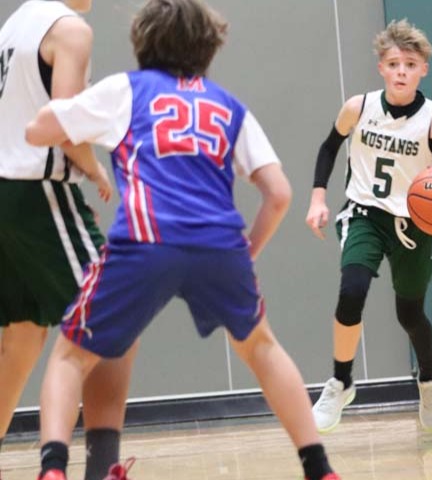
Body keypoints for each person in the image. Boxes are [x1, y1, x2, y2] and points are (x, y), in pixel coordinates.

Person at [25, 1, 341, 479]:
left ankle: (53, 468)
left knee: (70, 355)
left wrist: (67, 105)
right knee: (262, 348)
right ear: (209, 47)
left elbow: (39, 130)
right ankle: (319, 468)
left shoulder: (127, 89)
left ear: (142, 40)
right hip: (220, 245)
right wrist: (247, 252)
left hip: (145, 239)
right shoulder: (228, 105)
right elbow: (279, 194)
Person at [0, 1, 138, 479]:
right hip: (35, 189)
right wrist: (94, 169)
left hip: (7, 190)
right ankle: (96, 469)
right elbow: (62, 123)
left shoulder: (14, 24)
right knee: (113, 312)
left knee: (21, 336)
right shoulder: (70, 30)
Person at [305, 18, 432, 433]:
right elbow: (329, 147)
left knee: (410, 314)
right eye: (393, 64)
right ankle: (341, 382)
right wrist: (318, 197)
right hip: (365, 213)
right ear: (381, 69)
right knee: (351, 291)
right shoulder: (359, 107)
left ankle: (429, 376)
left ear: (423, 69)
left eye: (410, 64)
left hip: (413, 222)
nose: (401, 72)